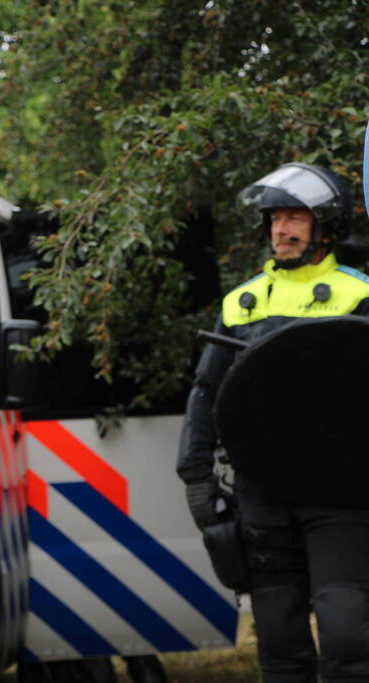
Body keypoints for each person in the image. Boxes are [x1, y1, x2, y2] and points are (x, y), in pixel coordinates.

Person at [178, 162, 369, 683]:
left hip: (341, 493)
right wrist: (195, 475)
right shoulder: (242, 303)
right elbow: (206, 392)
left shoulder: (358, 294)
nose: (281, 230)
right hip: (262, 492)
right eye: (275, 218)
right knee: (280, 645)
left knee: (348, 633)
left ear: (324, 226)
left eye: (295, 218)